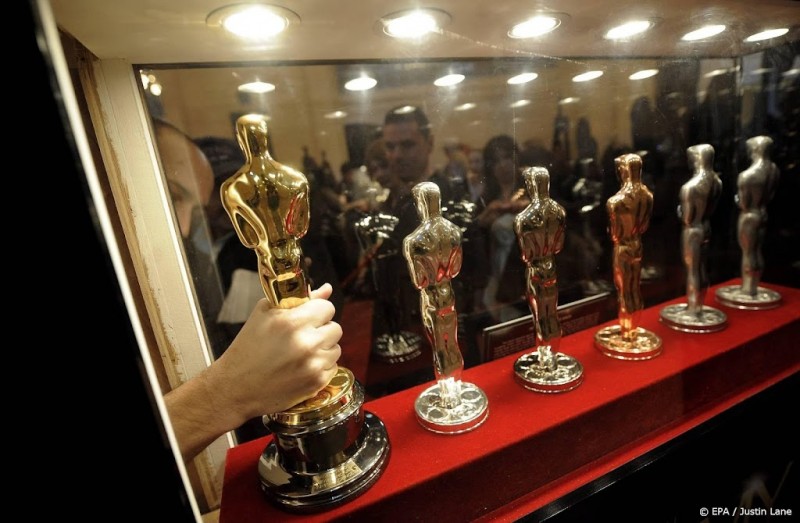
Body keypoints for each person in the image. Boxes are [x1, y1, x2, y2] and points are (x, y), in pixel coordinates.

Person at [157, 117, 342, 462]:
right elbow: (297, 226)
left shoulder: (237, 196)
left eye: (195, 207)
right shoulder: (289, 181)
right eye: (173, 195)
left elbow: (249, 235)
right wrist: (228, 390)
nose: (184, 227)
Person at [606, 153, 653, 339]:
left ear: (623, 170)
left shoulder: (616, 202)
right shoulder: (647, 196)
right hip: (637, 245)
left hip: (623, 247)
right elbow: (644, 226)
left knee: (624, 291)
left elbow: (615, 234)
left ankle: (627, 332)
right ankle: (633, 328)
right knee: (635, 288)